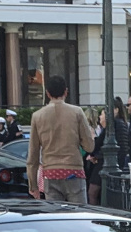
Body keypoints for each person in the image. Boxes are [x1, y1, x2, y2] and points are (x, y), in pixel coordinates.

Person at [27, 75, 95, 204]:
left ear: (47, 93)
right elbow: (89, 147)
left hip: (50, 172)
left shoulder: (37, 116)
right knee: (79, 217)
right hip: (74, 171)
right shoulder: (77, 112)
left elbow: (33, 155)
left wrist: (33, 186)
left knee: (55, 217)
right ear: (66, 92)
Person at [86, 109, 107, 205]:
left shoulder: (104, 131)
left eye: (102, 114)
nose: (99, 117)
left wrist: (94, 156)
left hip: (99, 164)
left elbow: (95, 146)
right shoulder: (101, 130)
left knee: (92, 192)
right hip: (98, 162)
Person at [113, 97, 131, 169]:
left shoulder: (116, 123)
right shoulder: (123, 122)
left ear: (116, 110)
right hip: (121, 158)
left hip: (118, 158)